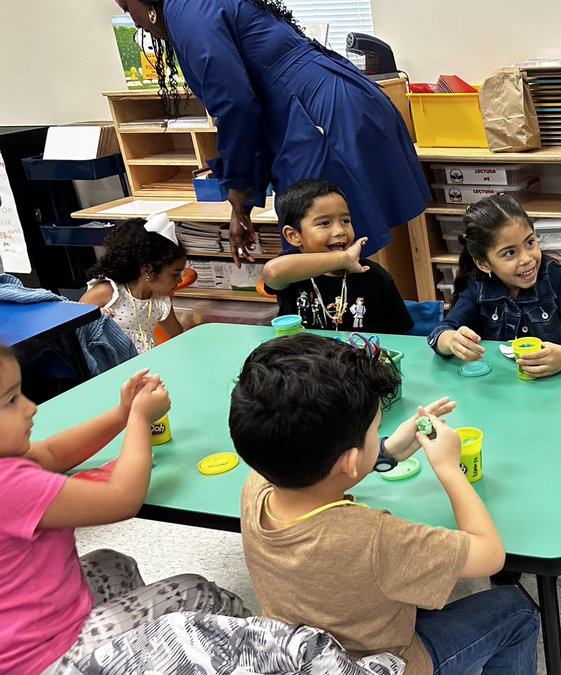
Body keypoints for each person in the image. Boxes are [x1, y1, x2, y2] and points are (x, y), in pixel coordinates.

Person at [228, 334, 540, 675]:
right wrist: (449, 468)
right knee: (516, 611)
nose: (379, 435)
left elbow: (327, 473)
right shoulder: (375, 539)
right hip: (384, 663)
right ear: (348, 460)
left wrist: (385, 451)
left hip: (302, 656)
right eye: (376, 430)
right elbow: (490, 556)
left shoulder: (255, 487)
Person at [115, 0, 430, 267]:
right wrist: (243, 201)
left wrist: (238, 195)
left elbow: (236, 104)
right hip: (335, 98)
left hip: (317, 117)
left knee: (318, 251)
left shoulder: (186, 9)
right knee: (339, 250)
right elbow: (250, 108)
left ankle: (337, 335)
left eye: (128, 8)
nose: (136, 23)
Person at [0, 344, 246, 675]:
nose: (30, 408)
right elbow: (122, 498)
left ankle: (148, 657)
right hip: (44, 656)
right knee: (196, 593)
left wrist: (122, 412)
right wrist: (139, 419)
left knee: (114, 565)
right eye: (10, 401)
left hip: (26, 629)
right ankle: (257, 657)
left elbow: (50, 454)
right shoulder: (9, 484)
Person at [427, 193, 561, 379]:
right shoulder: (478, 287)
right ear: (483, 263)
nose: (527, 259)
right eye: (509, 253)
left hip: (558, 384)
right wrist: (452, 340)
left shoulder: (553, 276)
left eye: (530, 242)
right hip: (501, 387)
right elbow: (439, 333)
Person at [263, 179, 414, 334]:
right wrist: (345, 259)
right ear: (293, 235)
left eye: (345, 220)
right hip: (301, 356)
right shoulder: (291, 270)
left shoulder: (374, 276)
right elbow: (273, 272)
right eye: (324, 223)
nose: (340, 230)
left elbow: (401, 337)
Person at [80, 215, 187, 354]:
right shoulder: (108, 293)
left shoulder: (160, 302)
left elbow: (179, 336)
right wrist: (93, 319)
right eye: (175, 274)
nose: (180, 280)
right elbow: (73, 331)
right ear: (148, 271)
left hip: (145, 368)